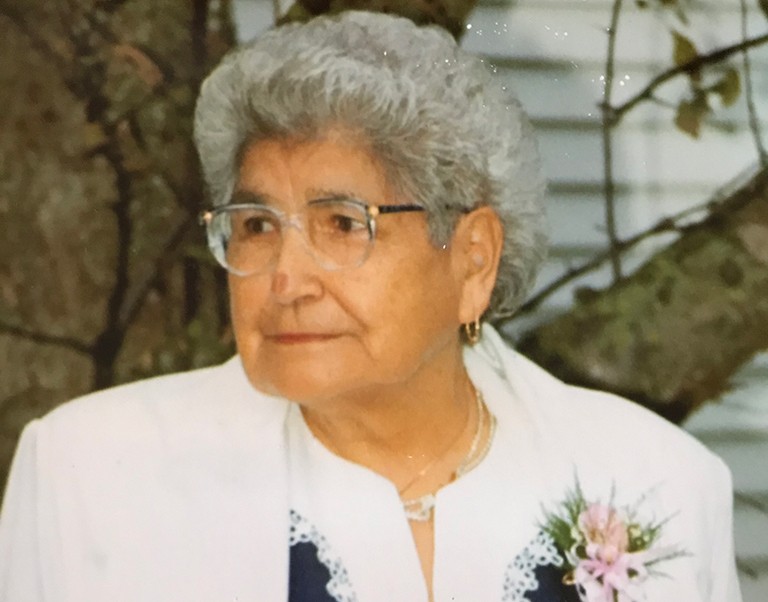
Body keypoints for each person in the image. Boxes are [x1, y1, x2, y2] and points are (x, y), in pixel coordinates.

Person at [0, 11, 740, 602]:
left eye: (344, 224)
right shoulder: (93, 474)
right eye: (257, 226)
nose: (286, 278)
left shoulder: (657, 480)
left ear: (474, 259)